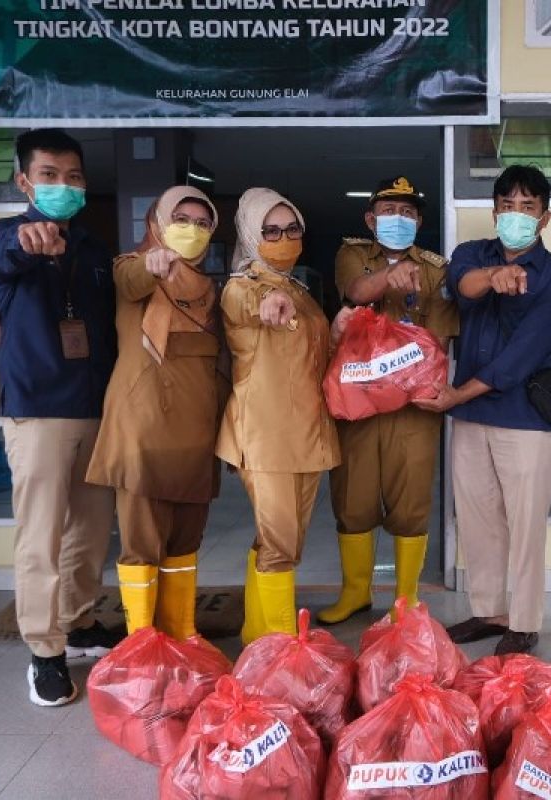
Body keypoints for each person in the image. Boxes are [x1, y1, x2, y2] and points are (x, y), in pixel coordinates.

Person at [0, 129, 119, 707]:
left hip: (95, 407)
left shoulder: (91, 249)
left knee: (89, 529)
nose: (63, 186)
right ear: (24, 181)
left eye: (73, 176)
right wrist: (27, 239)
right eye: (49, 175)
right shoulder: (2, 236)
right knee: (40, 534)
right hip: (37, 411)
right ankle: (44, 651)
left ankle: (79, 621)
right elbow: (6, 255)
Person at [415, 165, 551, 656]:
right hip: (470, 420)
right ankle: (488, 610)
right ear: (494, 211)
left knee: (525, 522)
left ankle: (524, 621)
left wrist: (457, 397)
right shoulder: (470, 254)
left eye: (528, 208)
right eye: (507, 206)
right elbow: (461, 285)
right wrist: (495, 275)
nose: (516, 216)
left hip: (522, 416)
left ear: (544, 219)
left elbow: (521, 358)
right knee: (478, 517)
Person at [86, 186, 228, 641]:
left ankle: (182, 633)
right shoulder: (133, 267)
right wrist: (153, 262)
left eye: (203, 223)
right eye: (181, 219)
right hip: (144, 431)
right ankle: (142, 645)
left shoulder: (212, 290)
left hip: (197, 433)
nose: (193, 230)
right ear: (156, 225)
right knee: (142, 544)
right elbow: (132, 278)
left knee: (187, 538)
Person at [318, 176, 459, 626]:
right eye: (389, 211)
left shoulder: (437, 268)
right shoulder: (353, 255)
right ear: (370, 217)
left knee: (410, 500)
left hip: (412, 406)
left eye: (408, 213)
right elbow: (357, 293)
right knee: (353, 499)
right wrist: (387, 278)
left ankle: (406, 600)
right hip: (358, 400)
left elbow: (438, 338)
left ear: (419, 221)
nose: (398, 219)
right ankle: (355, 593)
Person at [216, 188, 353, 645]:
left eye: (291, 229)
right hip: (266, 436)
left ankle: (256, 635)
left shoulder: (298, 288)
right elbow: (249, 309)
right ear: (251, 237)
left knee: (285, 544)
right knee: (279, 546)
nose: (283, 238)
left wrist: (333, 330)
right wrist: (266, 306)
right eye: (270, 231)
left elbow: (311, 357)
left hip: (308, 435)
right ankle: (276, 652)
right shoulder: (243, 287)